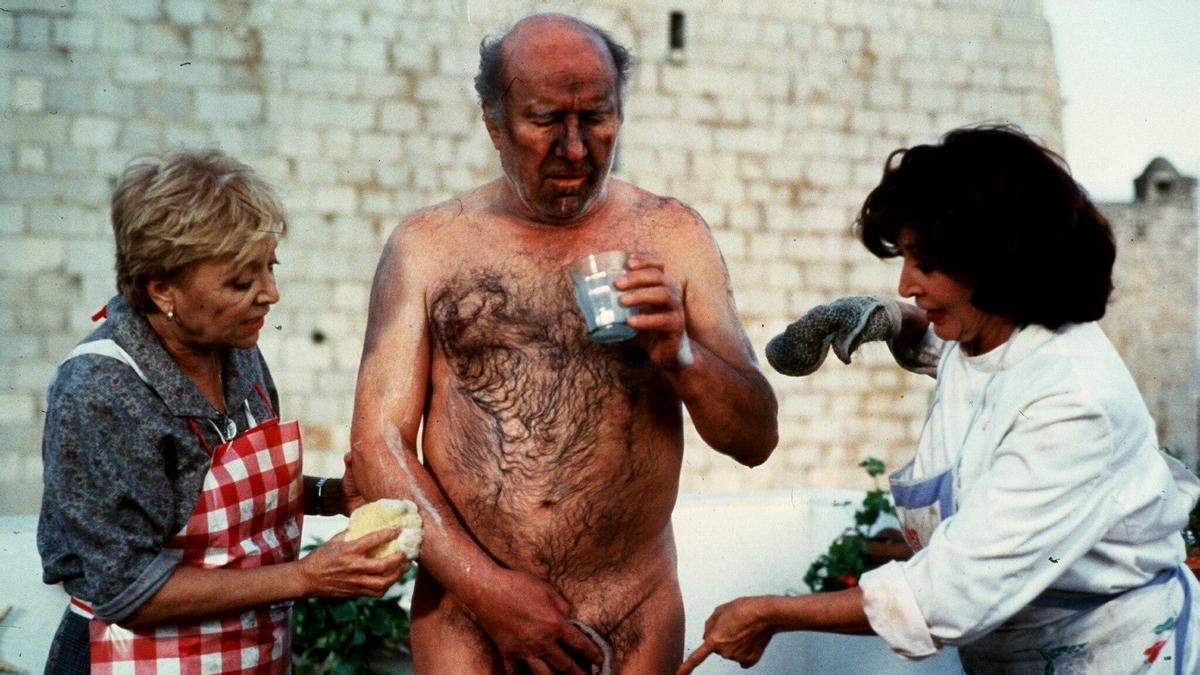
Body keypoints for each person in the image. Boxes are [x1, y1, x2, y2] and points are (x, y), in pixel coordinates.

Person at [679, 125, 1200, 674]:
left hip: (1117, 657)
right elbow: (973, 374)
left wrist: (770, 613)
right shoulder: (994, 333)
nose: (906, 284)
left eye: (924, 264)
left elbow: (947, 596)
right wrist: (893, 323)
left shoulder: (1074, 401)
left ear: (998, 261)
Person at [349, 12, 779, 675]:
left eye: (598, 119)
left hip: (630, 610)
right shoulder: (427, 246)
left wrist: (683, 358)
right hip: (469, 613)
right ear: (494, 123)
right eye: (546, 120)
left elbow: (756, 438)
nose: (576, 149)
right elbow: (378, 445)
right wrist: (491, 592)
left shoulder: (672, 234)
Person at [37, 149, 410, 673]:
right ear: (162, 287)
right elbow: (125, 590)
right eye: (241, 282)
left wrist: (328, 496)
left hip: (245, 654)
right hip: (128, 656)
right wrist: (306, 577)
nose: (270, 294)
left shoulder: (236, 350)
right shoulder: (101, 389)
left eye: (269, 268)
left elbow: (197, 497)